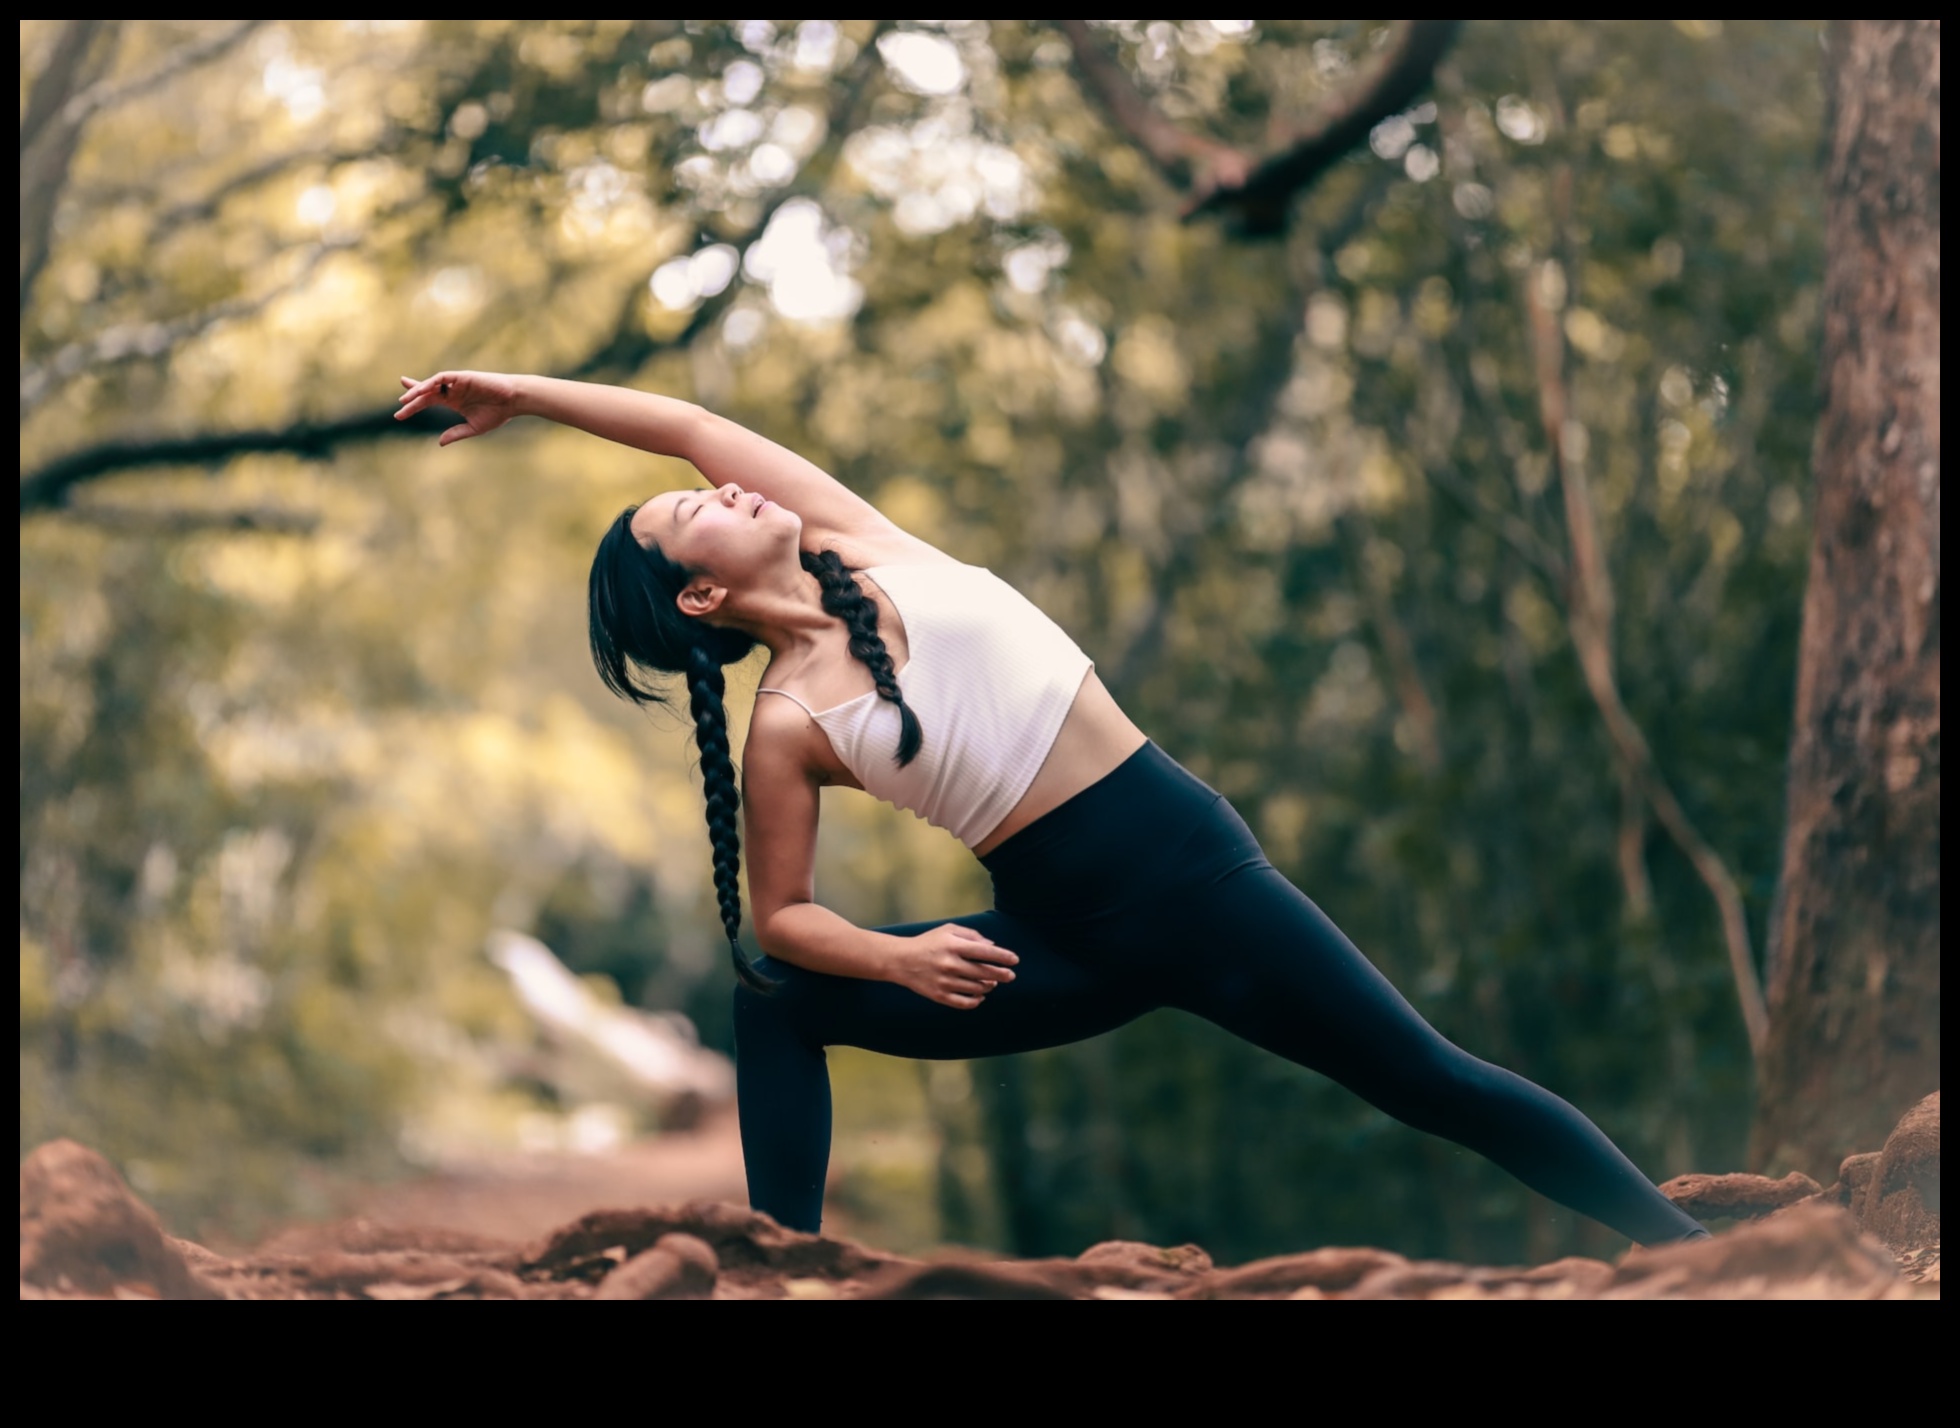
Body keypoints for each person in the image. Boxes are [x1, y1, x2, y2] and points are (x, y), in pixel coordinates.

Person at [395, 369, 1708, 1247]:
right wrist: (899, 954)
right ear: (698, 598)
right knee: (769, 1002)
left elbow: (679, 422)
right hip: (1062, 945)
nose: (726, 484)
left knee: (1434, 1081)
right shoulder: (788, 723)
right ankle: (775, 1268)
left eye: (714, 486)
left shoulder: (858, 541)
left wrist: (518, 392)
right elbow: (784, 921)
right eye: (698, 514)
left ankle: (1705, 1261)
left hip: (1198, 882)